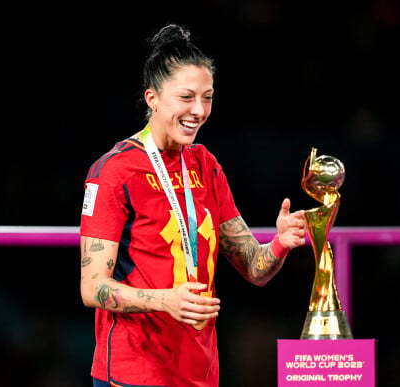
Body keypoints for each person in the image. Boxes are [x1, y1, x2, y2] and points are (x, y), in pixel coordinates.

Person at [79, 23, 306, 387]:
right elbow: (92, 288)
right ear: (152, 98)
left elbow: (254, 269)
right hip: (132, 373)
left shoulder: (206, 165)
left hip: (200, 374)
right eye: (186, 97)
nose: (199, 110)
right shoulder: (114, 171)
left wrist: (280, 243)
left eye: (208, 97)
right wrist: (164, 300)